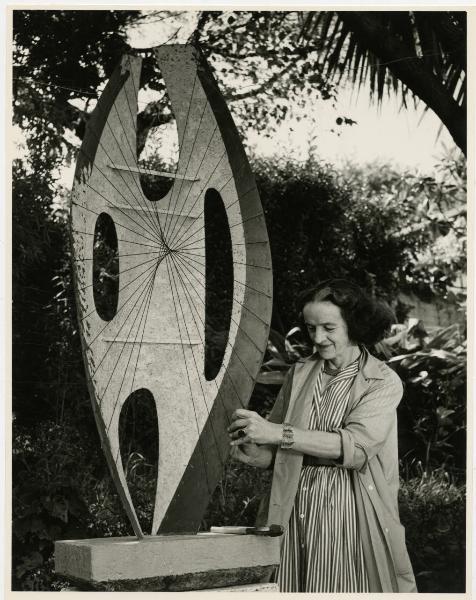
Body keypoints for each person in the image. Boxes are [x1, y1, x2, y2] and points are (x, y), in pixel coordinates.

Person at [228, 279, 417, 593]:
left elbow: (355, 448)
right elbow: (277, 446)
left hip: (346, 510)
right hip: (293, 505)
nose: (317, 338)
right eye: (311, 327)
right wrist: (258, 454)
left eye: (329, 327)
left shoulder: (382, 382)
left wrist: (275, 433)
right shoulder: (300, 372)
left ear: (355, 325)